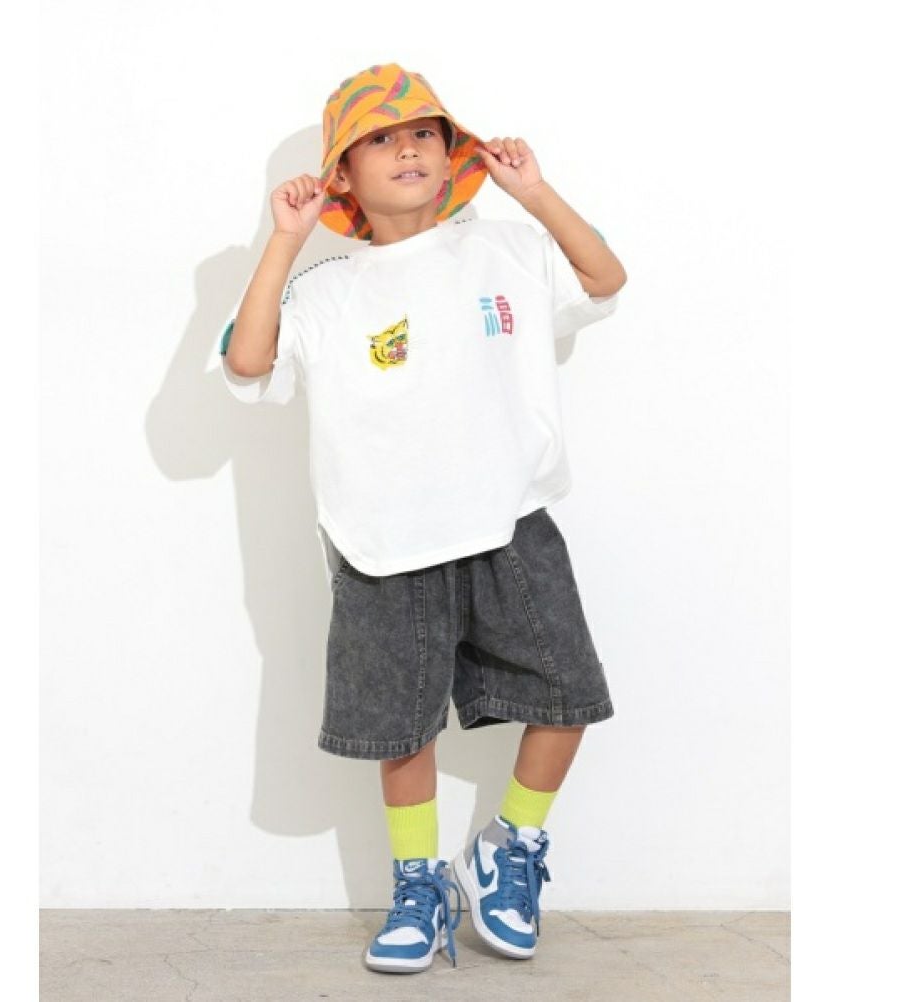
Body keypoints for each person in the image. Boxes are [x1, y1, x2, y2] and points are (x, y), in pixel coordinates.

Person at [220, 62, 627, 974]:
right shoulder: (327, 289)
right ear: (342, 174)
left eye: (423, 133)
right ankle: (418, 884)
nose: (406, 148)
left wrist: (533, 190)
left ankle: (509, 847)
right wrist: (284, 240)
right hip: (383, 541)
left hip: (510, 521)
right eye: (379, 139)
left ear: (451, 157)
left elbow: (605, 276)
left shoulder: (508, 249)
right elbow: (248, 364)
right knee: (401, 728)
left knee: (567, 695)